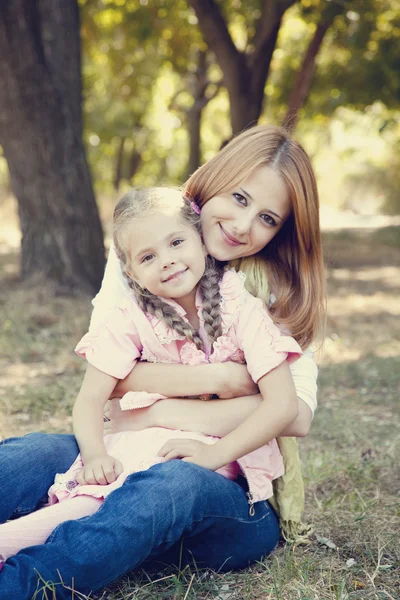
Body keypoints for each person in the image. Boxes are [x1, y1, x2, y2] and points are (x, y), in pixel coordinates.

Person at [0, 125, 325, 599]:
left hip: (228, 489)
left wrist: (160, 411)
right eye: (238, 197)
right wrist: (223, 378)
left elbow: (294, 413)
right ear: (211, 185)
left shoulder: (264, 292)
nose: (241, 224)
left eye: (267, 218)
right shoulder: (147, 235)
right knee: (37, 455)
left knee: (169, 484)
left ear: (283, 230)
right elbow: (107, 381)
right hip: (132, 444)